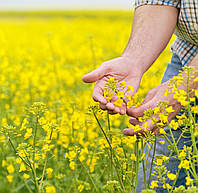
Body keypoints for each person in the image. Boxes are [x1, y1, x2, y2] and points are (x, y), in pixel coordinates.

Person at [82, 0, 198, 192]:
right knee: (156, 184)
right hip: (187, 56)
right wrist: (133, 60)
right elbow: (160, 2)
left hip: (187, 74)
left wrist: (186, 84)